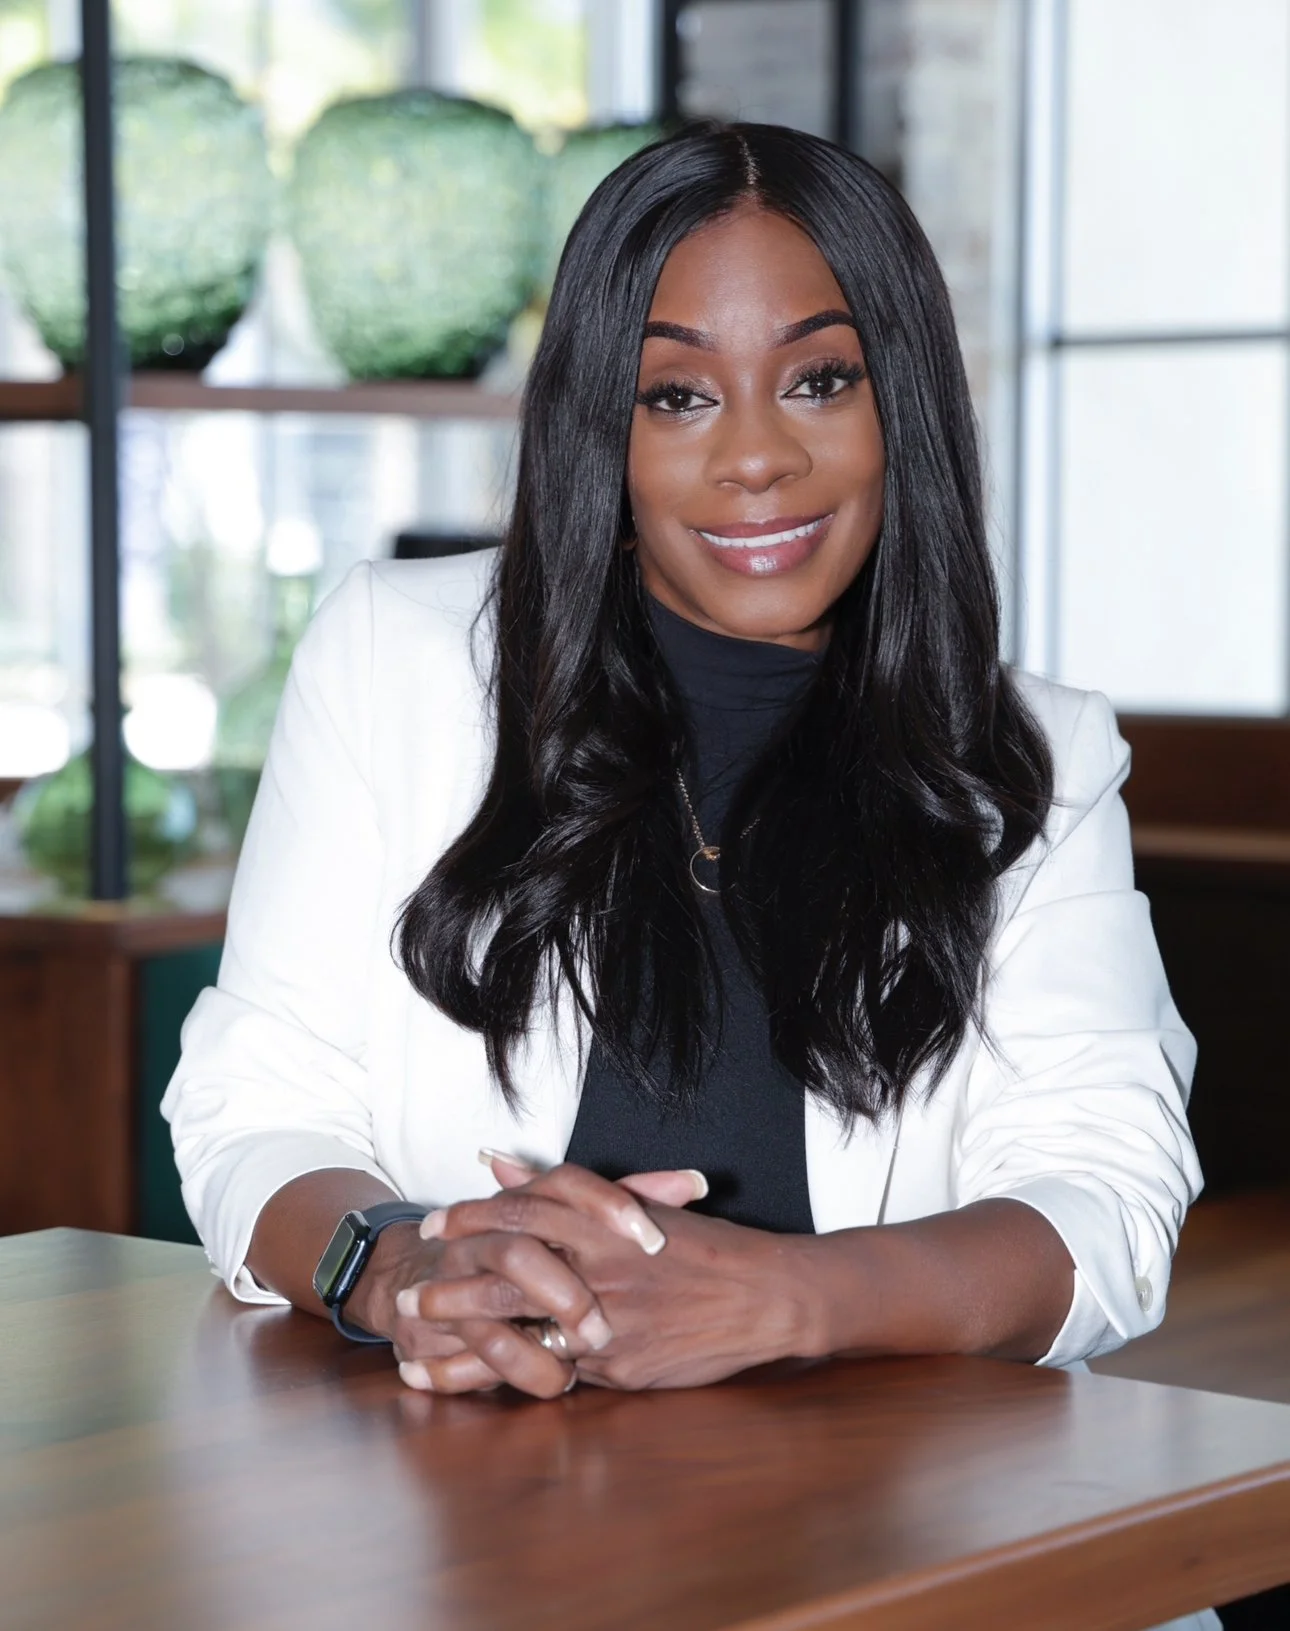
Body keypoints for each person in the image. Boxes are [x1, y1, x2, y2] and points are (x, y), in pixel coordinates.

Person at [164, 122, 1202, 1415]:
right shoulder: (395, 658)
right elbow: (254, 1101)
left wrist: (779, 1298)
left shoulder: (1032, 761)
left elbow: (1107, 1207)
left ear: (903, 405)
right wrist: (398, 1262)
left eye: (820, 379)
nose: (755, 456)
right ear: (601, 421)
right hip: (475, 1521)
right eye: (678, 394)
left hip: (903, 1517)